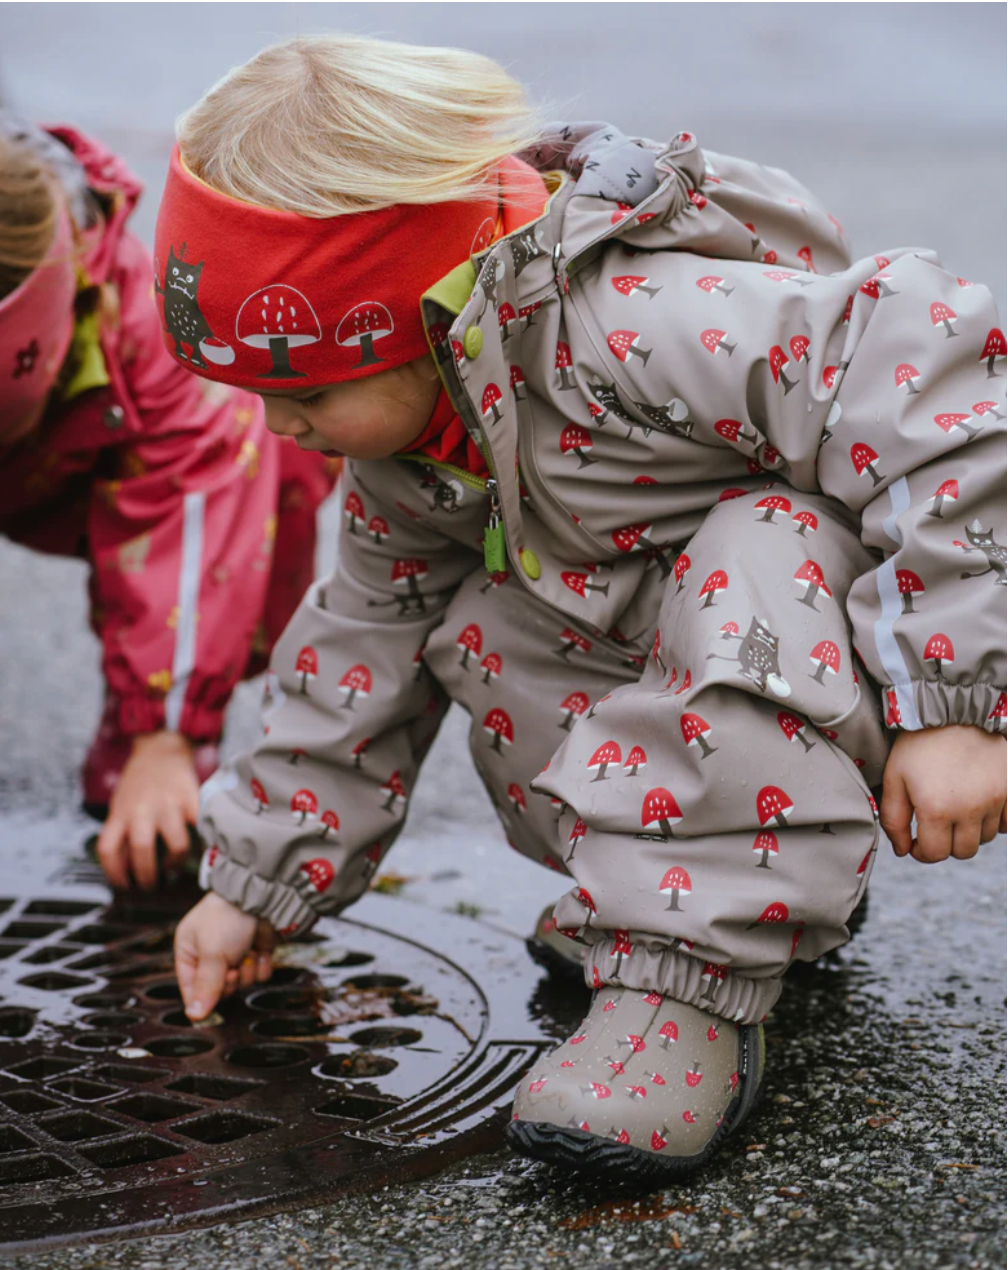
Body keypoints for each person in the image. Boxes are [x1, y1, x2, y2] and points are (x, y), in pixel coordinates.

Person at [165, 35, 1006, 1183]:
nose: (280, 430)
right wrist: (256, 880)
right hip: (690, 677)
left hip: (813, 641)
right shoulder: (415, 448)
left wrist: (953, 695)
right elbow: (357, 644)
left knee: (761, 545)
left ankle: (684, 985)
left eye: (303, 391)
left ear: (416, 311)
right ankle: (669, 903)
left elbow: (928, 368)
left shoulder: (632, 318)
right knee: (469, 623)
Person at [0, 115, 337, 891]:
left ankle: (153, 759)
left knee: (266, 438)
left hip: (78, 448)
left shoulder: (137, 315)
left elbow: (192, 505)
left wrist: (165, 733)